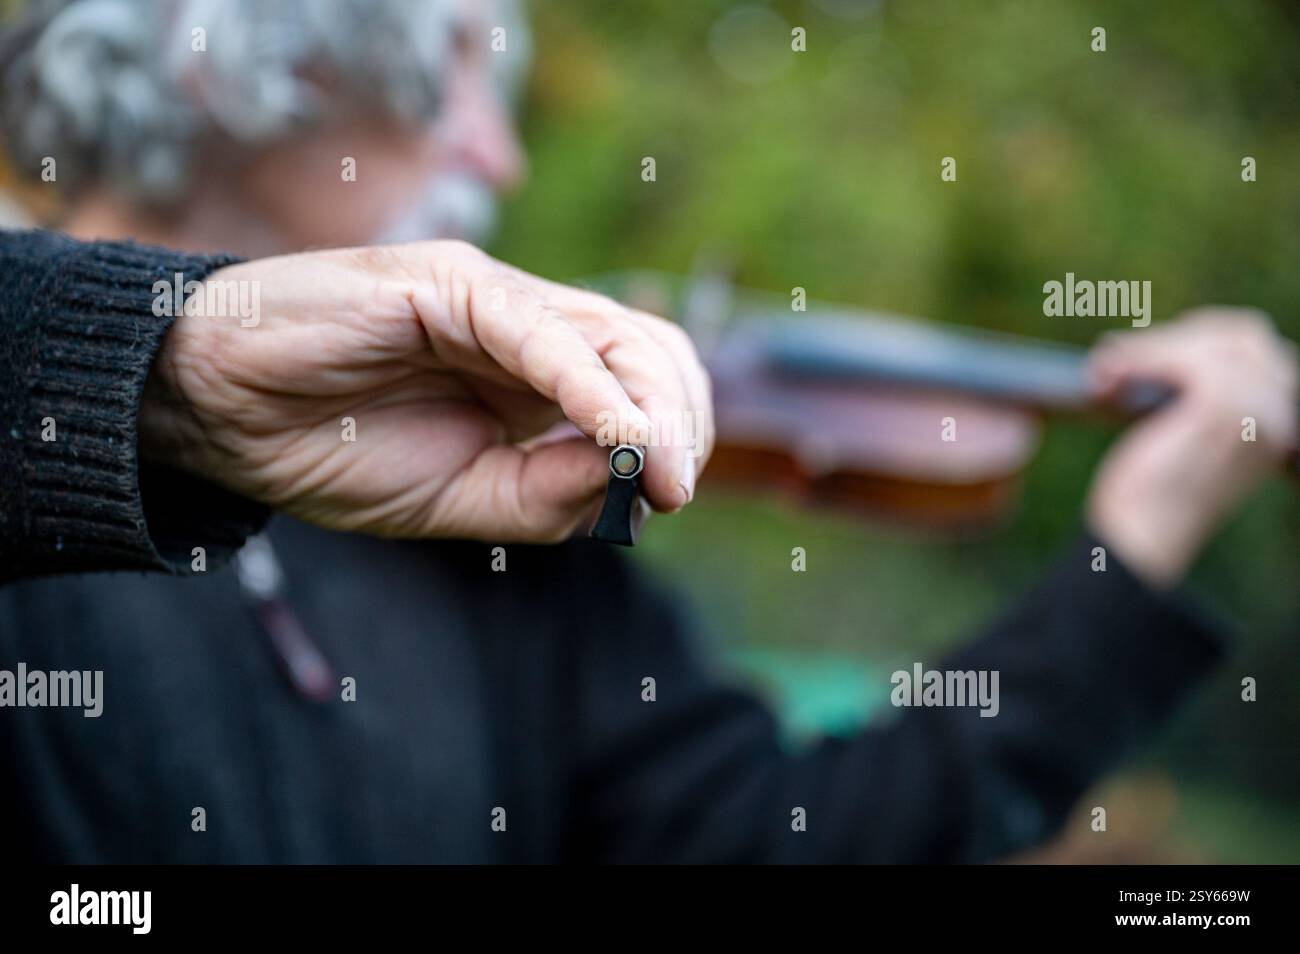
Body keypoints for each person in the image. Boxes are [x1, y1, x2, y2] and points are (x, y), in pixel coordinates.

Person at [0, 0, 1295, 863]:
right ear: (226, 52)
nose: (500, 155)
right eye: (454, 65)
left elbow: (793, 839)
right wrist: (146, 371)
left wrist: (1130, 552)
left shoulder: (493, 509)